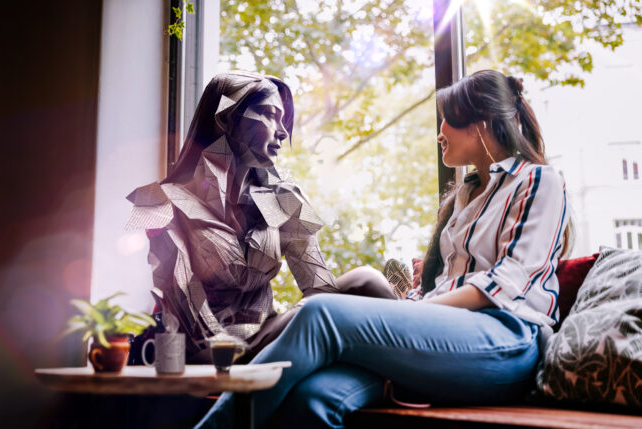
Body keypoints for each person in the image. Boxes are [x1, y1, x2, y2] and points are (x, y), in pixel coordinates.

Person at [194, 69, 572, 428]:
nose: (439, 133)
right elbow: (443, 285)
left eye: (446, 120)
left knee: (321, 312)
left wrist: (411, 315)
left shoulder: (540, 181)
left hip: (507, 343)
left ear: (479, 125)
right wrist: (411, 308)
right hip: (448, 341)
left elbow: (508, 283)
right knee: (311, 399)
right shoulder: (465, 197)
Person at [125, 72, 398, 363]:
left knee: (364, 281)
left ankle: (423, 351)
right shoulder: (161, 201)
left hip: (267, 335)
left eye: (283, 120)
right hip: (204, 350)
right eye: (269, 114)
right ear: (226, 118)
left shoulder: (283, 196)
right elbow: (182, 309)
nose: (282, 131)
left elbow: (321, 290)